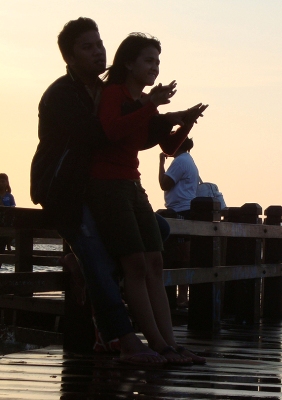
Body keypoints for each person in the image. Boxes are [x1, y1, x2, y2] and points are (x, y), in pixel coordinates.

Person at [30, 18, 174, 366]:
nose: (98, 51)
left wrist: (167, 118)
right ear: (70, 57)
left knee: (160, 230)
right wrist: (147, 107)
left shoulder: (105, 89)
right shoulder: (63, 94)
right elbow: (98, 135)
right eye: (87, 47)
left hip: (97, 188)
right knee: (95, 251)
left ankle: (78, 265)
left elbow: (128, 137)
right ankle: (123, 338)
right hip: (64, 188)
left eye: (99, 44)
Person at [86, 33, 207, 365]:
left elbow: (168, 147)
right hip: (108, 186)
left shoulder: (141, 101)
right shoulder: (115, 94)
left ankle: (170, 343)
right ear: (129, 63)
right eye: (148, 60)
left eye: (157, 61)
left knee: (155, 261)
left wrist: (185, 122)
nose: (155, 67)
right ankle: (156, 344)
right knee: (135, 264)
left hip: (133, 185)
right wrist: (152, 105)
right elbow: (112, 130)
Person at [158, 137, 199, 308]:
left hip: (180, 210)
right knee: (181, 255)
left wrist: (161, 163)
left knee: (180, 255)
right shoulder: (188, 160)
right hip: (185, 209)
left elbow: (164, 184)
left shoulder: (180, 161)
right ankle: (181, 296)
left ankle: (180, 297)